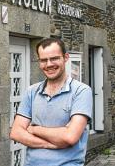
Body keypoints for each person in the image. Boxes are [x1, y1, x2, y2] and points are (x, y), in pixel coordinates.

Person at [10, 38, 93, 166]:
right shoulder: (32, 91)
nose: (48, 64)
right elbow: (16, 132)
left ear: (65, 57)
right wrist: (50, 143)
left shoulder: (81, 91)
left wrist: (34, 129)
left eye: (54, 58)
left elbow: (70, 137)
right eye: (43, 60)